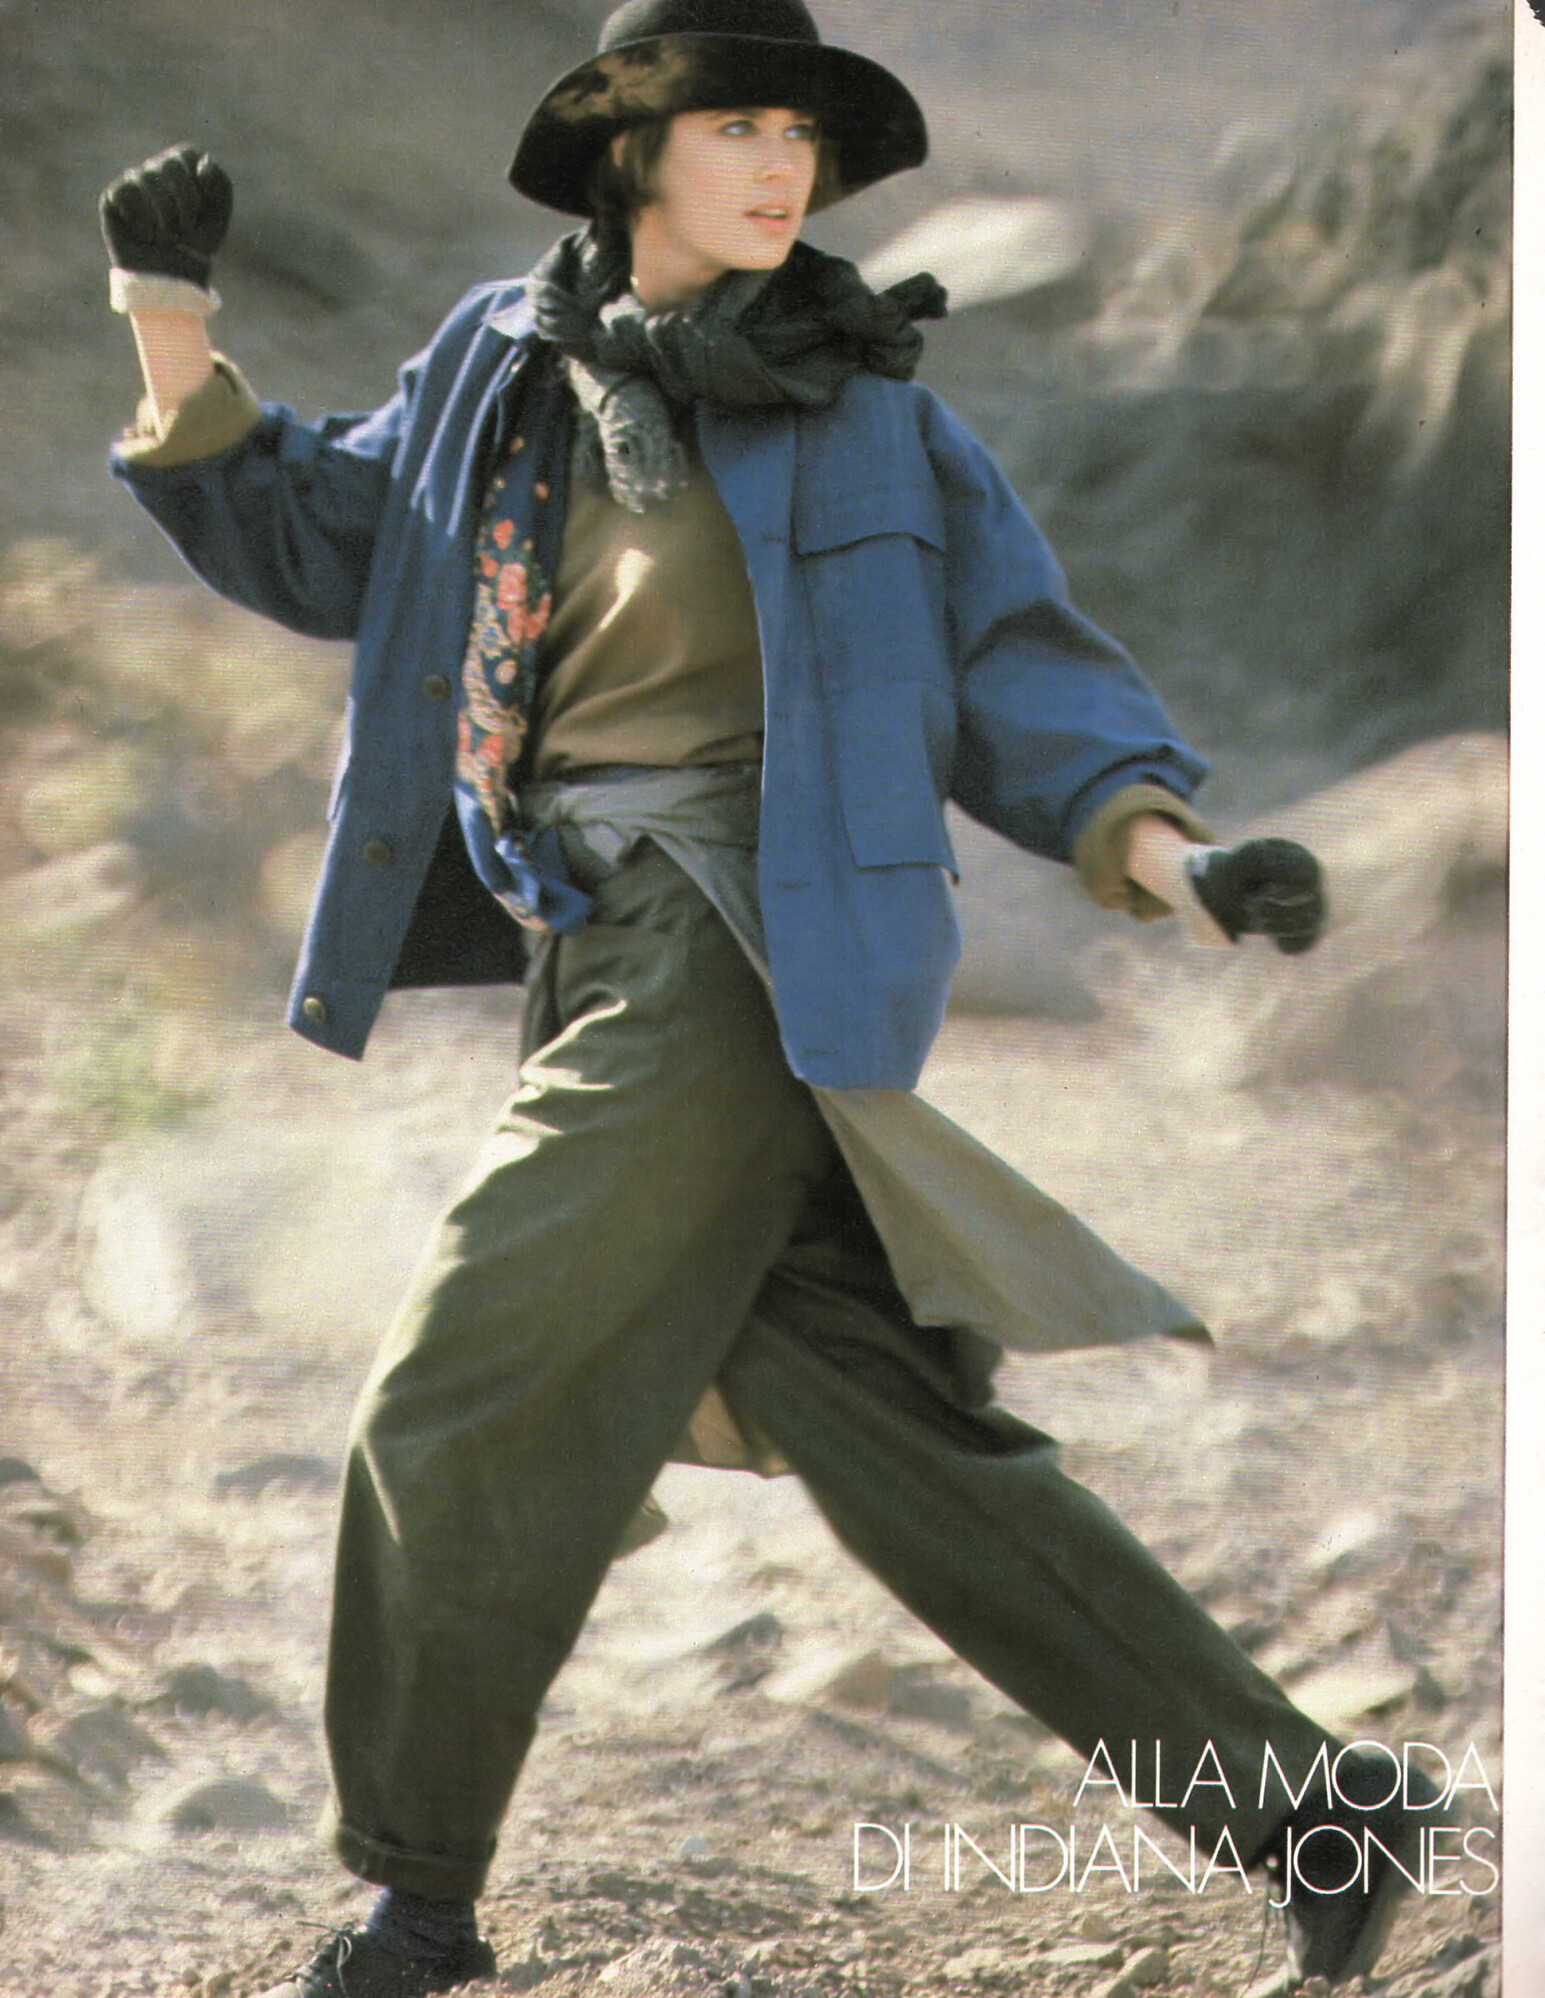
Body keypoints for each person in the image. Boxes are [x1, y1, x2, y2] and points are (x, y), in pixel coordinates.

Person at [100, 3, 1445, 1992]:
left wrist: (1174, 859)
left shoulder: (873, 408)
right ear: (627, 151)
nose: (778, 165)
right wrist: (167, 316)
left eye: (799, 133)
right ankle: (1314, 1812)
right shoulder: (497, 363)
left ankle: (418, 1900)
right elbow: (332, 543)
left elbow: (1017, 665)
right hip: (586, 941)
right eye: (734, 124)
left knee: (457, 1390)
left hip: (743, 944)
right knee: (900, 1444)